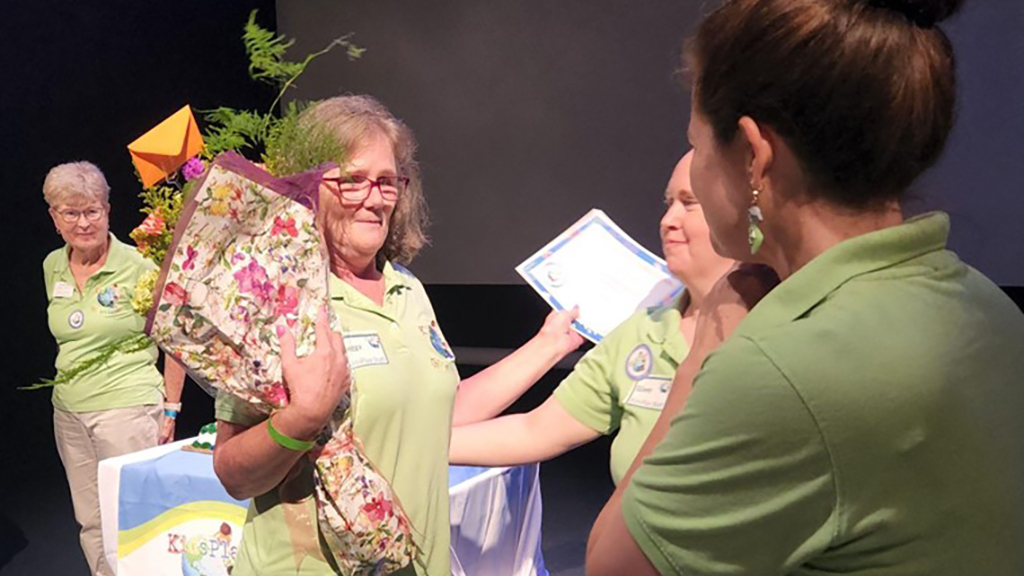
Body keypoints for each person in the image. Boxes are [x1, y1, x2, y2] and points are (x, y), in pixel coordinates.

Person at [586, 0, 1024, 574]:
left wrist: (703, 357)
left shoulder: (783, 369)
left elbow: (612, 566)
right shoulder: (990, 309)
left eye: (698, 144)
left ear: (753, 156)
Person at [212, 95, 581, 576]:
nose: (374, 197)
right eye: (351, 180)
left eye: (387, 182)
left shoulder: (408, 289)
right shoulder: (279, 297)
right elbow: (233, 474)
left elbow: (434, 416)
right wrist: (301, 420)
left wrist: (548, 345)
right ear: (307, 187)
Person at [449, 150, 734, 484]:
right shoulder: (641, 332)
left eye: (690, 203)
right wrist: (406, 445)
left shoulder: (781, 326)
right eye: (668, 203)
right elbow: (536, 430)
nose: (668, 220)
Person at [42, 161, 186, 576]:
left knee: (136, 518)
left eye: (93, 211)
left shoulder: (140, 266)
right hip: (68, 411)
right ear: (54, 217)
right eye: (71, 212)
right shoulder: (52, 267)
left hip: (128, 408)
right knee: (91, 521)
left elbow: (174, 340)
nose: (83, 222)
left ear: (108, 210)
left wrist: (171, 407)